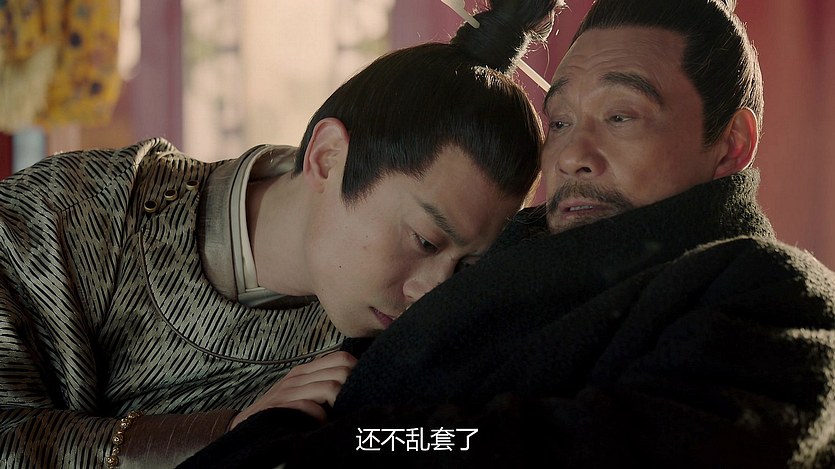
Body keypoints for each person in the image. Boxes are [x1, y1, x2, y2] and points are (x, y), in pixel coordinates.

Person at [178, 0, 835, 467]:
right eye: (560, 122)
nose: (571, 155)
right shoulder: (493, 254)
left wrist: (346, 439)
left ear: (731, 143)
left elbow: (585, 448)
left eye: (620, 115)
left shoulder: (771, 291)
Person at [0, 0, 562, 467]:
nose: (429, 294)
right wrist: (236, 433)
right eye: (425, 241)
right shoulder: (77, 208)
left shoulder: (383, 356)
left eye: (465, 268)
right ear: (327, 157)